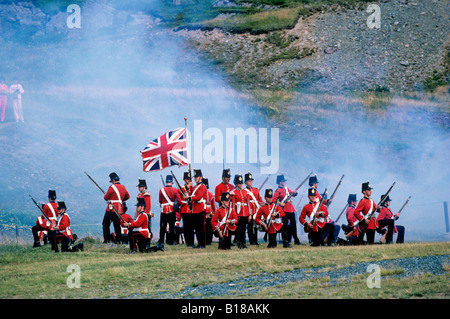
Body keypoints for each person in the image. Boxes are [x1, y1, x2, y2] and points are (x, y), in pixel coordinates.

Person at [102, 172, 130, 244]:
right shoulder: (123, 187)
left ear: (113, 180)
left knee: (105, 224)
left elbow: (106, 198)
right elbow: (128, 196)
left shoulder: (112, 187)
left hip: (112, 208)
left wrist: (106, 195)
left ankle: (107, 240)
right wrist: (120, 200)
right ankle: (118, 240)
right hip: (120, 208)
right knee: (117, 225)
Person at [273, 174, 298, 247]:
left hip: (291, 209)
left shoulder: (286, 188)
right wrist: (280, 204)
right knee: (285, 226)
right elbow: (274, 200)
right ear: (280, 182)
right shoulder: (278, 191)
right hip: (284, 210)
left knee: (293, 225)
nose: (284, 183)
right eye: (283, 181)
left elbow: (292, 194)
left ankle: (296, 240)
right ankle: (286, 240)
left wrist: (295, 192)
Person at [158, 175, 181, 245]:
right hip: (171, 210)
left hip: (164, 211)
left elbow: (160, 201)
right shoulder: (175, 190)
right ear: (172, 182)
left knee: (162, 227)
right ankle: (171, 241)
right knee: (171, 227)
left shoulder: (161, 190)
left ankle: (161, 241)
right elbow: (179, 201)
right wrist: (175, 205)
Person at [188, 169, 208, 248]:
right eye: (195, 177)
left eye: (197, 177)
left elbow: (198, 197)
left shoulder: (202, 186)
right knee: (197, 228)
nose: (195, 178)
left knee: (201, 228)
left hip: (200, 209)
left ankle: (202, 244)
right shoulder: (195, 187)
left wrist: (190, 197)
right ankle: (199, 243)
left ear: (201, 177)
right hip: (194, 210)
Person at [231, 174, 250, 249]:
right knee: (239, 229)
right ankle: (239, 243)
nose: (241, 184)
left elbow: (248, 204)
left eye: (241, 183)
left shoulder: (245, 192)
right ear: (236, 183)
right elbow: (232, 205)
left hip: (245, 213)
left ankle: (244, 243)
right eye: (239, 183)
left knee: (244, 229)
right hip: (237, 213)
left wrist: (249, 214)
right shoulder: (233, 192)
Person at [244, 172, 263, 245]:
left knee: (255, 226)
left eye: (251, 180)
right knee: (250, 226)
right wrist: (249, 213)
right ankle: (252, 241)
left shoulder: (256, 189)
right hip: (249, 210)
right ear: (245, 182)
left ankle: (255, 241)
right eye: (249, 180)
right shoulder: (244, 191)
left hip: (256, 210)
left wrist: (263, 203)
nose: (250, 182)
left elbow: (259, 199)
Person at [178, 171, 194, 247]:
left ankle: (192, 241)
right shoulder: (182, 187)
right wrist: (187, 186)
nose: (188, 180)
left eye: (189, 179)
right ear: (184, 180)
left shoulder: (193, 188)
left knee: (192, 227)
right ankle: (188, 242)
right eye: (187, 179)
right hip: (185, 209)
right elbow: (180, 191)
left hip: (191, 208)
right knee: (186, 226)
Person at [203, 178, 216, 245]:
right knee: (208, 228)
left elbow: (213, 205)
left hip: (205, 212)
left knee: (207, 228)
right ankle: (208, 241)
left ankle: (206, 241)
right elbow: (213, 206)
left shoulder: (209, 194)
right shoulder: (211, 194)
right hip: (208, 212)